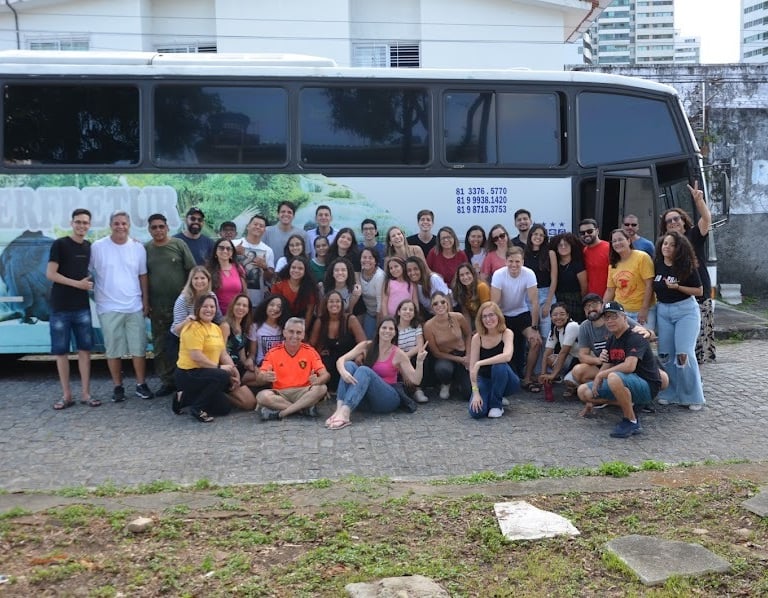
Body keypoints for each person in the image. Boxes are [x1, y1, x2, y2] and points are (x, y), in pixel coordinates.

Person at [90, 210, 154, 402]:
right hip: (108, 307)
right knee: (113, 350)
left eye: (124, 223)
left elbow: (143, 275)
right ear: (111, 225)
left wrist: (145, 301)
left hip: (134, 306)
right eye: (117, 223)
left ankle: (141, 385)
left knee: (139, 348)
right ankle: (118, 387)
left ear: (129, 226)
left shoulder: (138, 248)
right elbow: (87, 272)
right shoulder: (98, 247)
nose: (120, 227)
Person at [576, 301, 662, 438]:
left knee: (613, 377)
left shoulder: (636, 336)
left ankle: (631, 420)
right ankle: (629, 403)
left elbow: (629, 366)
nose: (610, 321)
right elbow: (607, 364)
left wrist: (602, 375)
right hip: (625, 382)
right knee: (583, 391)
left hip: (646, 384)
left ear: (624, 317)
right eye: (607, 318)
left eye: (614, 316)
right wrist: (593, 393)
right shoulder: (612, 339)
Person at [325, 317, 428, 430]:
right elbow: (341, 360)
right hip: (367, 398)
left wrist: (419, 362)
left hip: (388, 398)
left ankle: (345, 414)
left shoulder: (398, 353)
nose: (387, 331)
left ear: (395, 333)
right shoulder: (367, 346)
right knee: (349, 365)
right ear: (378, 330)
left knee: (364, 370)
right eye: (384, 327)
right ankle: (339, 410)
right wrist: (343, 372)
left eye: (391, 329)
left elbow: (416, 380)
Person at [46, 208, 98, 409]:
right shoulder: (60, 244)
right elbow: (50, 274)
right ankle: (66, 395)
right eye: (78, 222)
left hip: (81, 307)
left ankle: (85, 394)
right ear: (72, 223)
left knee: (85, 351)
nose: (82, 226)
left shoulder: (88, 247)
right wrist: (78, 285)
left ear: (89, 225)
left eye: (85, 223)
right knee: (61, 352)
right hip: (60, 307)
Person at [659, 181, 715, 364]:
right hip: (673, 298)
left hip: (697, 291)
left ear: (683, 220)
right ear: (665, 226)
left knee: (695, 343)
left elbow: (707, 219)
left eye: (676, 218)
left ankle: (695, 376)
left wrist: (699, 201)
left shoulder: (694, 235)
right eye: (669, 220)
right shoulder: (664, 244)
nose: (673, 222)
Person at [653, 231, 705, 410]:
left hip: (685, 311)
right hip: (663, 310)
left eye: (672, 244)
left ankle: (693, 396)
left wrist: (678, 287)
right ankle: (670, 392)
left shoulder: (685, 265)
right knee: (666, 354)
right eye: (665, 243)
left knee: (684, 353)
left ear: (679, 248)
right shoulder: (657, 264)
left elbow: (699, 290)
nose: (667, 247)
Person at [144, 213, 195, 397]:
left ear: (167, 227)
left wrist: (187, 292)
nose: (158, 230)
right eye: (154, 227)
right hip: (158, 307)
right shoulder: (147, 248)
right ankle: (167, 381)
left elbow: (192, 270)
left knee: (184, 343)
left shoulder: (178, 245)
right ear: (149, 230)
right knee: (161, 346)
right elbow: (143, 276)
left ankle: (185, 379)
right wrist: (146, 302)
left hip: (181, 306)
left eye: (161, 226)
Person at [565, 293, 654, 397]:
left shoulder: (619, 318)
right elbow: (582, 355)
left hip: (625, 363)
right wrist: (599, 360)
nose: (591, 308)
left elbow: (647, 334)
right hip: (605, 365)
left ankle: (627, 396)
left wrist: (649, 332)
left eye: (594, 305)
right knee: (578, 372)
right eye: (587, 307)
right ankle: (605, 395)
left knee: (660, 377)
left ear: (602, 305)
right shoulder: (584, 326)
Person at [174, 294, 238, 422]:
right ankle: (197, 408)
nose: (209, 309)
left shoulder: (215, 328)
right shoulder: (193, 327)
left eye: (212, 306)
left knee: (224, 408)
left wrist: (233, 370)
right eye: (205, 306)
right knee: (222, 375)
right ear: (197, 308)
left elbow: (223, 353)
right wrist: (220, 368)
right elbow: (196, 356)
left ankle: (182, 398)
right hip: (189, 373)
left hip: (206, 372)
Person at [255, 317, 331, 421]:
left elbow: (326, 375)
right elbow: (259, 377)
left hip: (303, 392)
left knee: (322, 388)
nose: (294, 336)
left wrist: (319, 380)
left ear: (303, 335)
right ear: (284, 333)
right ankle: (303, 409)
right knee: (261, 396)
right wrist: (264, 376)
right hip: (280, 393)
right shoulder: (273, 352)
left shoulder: (310, 351)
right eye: (291, 332)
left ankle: (282, 413)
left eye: (298, 332)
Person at [490, 247, 541, 391]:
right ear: (505, 261)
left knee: (535, 341)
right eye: (511, 261)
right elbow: (494, 304)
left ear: (522, 261)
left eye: (517, 261)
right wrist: (496, 328)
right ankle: (503, 378)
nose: (514, 265)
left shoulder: (529, 273)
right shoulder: (499, 274)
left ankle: (527, 378)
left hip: (521, 312)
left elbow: (534, 302)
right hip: (502, 314)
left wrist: (535, 328)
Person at [468, 301, 519, 419]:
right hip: (485, 380)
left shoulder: (506, 333)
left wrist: (480, 362)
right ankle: (493, 395)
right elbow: (472, 369)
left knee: (499, 365)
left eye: (491, 315)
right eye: (484, 316)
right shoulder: (477, 338)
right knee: (476, 412)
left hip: (507, 379)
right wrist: (475, 393)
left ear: (498, 316)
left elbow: (507, 356)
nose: (488, 319)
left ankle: (497, 404)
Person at [309, 290, 366, 392]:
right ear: (326, 304)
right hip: (329, 361)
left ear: (342, 304)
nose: (334, 304)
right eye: (331, 301)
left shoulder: (350, 319)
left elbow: (363, 343)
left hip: (347, 360)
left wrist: (359, 356)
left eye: (337, 301)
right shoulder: (320, 321)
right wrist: (318, 354)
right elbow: (311, 345)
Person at [423, 290, 472, 400]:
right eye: (435, 304)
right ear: (431, 308)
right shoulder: (428, 326)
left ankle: (460, 381)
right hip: (445, 357)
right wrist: (460, 360)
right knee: (443, 369)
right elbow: (436, 352)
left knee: (468, 393)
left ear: (447, 303)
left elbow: (468, 335)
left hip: (462, 353)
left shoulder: (458, 317)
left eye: (442, 302)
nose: (439, 305)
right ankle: (446, 383)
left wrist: (468, 356)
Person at [603, 228, 655, 329]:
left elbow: (650, 285)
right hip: (621, 312)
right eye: (614, 241)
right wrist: (602, 310)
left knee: (644, 341)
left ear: (628, 240)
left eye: (620, 239)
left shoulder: (642, 257)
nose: (617, 243)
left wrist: (644, 309)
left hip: (643, 310)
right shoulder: (613, 264)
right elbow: (610, 290)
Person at [524, 223, 558, 371]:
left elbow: (554, 279)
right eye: (535, 234)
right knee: (532, 337)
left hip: (546, 295)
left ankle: (543, 370)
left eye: (541, 235)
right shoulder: (524, 253)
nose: (537, 237)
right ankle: (529, 369)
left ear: (544, 237)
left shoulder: (550, 253)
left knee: (546, 336)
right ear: (530, 235)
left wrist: (548, 303)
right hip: (528, 296)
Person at [234, 213, 275, 309]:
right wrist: (233, 253)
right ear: (248, 226)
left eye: (261, 226)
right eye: (255, 224)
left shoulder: (268, 250)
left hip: (256, 302)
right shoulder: (234, 244)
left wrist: (265, 268)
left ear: (264, 230)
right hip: (234, 299)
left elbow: (271, 279)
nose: (258, 227)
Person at [219, 293, 259, 389]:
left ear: (248, 310)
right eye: (238, 304)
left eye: (244, 306)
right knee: (249, 402)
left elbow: (242, 354)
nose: (241, 308)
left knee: (262, 376)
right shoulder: (225, 325)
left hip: (240, 366)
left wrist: (250, 364)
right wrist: (231, 370)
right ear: (232, 306)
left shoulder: (243, 327)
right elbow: (221, 353)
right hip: (228, 368)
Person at [538, 302, 580, 387]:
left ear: (567, 315)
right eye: (555, 315)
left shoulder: (572, 326)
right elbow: (547, 352)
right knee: (550, 358)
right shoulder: (555, 329)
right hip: (572, 359)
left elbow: (564, 352)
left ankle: (573, 382)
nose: (558, 317)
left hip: (581, 360)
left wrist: (552, 375)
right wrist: (543, 374)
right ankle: (561, 377)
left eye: (562, 314)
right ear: (551, 317)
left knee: (569, 381)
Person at [270, 255, 318, 328]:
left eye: (300, 268)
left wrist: (304, 330)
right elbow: (274, 307)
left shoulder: (310, 288)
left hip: (301, 321)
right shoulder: (279, 285)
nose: (296, 270)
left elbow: (309, 312)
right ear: (289, 268)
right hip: (280, 320)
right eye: (293, 267)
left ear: (305, 271)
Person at [395, 299, 428, 403]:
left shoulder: (416, 326)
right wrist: (403, 361)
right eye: (404, 309)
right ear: (398, 312)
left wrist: (406, 356)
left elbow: (420, 345)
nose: (408, 312)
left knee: (422, 357)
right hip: (398, 359)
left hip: (411, 356)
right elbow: (393, 349)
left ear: (414, 313)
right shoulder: (393, 328)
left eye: (411, 310)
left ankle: (418, 389)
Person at [553, 233, 587, 322]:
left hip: (575, 301)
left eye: (566, 245)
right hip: (558, 299)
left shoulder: (577, 264)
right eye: (560, 245)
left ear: (572, 246)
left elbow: (584, 287)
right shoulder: (554, 263)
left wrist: (582, 303)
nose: (563, 247)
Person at [248, 293, 289, 366]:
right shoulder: (255, 326)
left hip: (281, 364)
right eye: (272, 305)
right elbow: (252, 354)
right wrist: (250, 361)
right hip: (263, 363)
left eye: (279, 306)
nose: (275, 308)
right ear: (266, 306)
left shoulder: (285, 327)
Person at [208, 238, 246, 315]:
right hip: (215, 316)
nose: (225, 251)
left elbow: (244, 292)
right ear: (215, 251)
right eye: (221, 248)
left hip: (236, 315)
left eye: (228, 249)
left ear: (232, 252)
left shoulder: (238, 268)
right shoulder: (208, 270)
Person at [452, 262, 491, 329]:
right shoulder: (460, 290)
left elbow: (486, 310)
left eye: (467, 273)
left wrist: (479, 329)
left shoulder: (481, 287)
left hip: (487, 318)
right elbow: (466, 313)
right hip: (473, 319)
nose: (465, 277)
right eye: (462, 275)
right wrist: (468, 333)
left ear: (473, 274)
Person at [358, 247, 385, 338]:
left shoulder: (379, 276)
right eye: (364, 257)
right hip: (366, 312)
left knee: (374, 337)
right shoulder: (358, 273)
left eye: (370, 258)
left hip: (379, 313)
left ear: (375, 261)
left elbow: (380, 303)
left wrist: (378, 326)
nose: (367, 260)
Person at [579, 219, 610, 297]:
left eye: (589, 231)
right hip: (589, 299)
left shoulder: (609, 248)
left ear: (597, 231)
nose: (586, 234)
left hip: (607, 298)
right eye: (582, 233)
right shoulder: (583, 251)